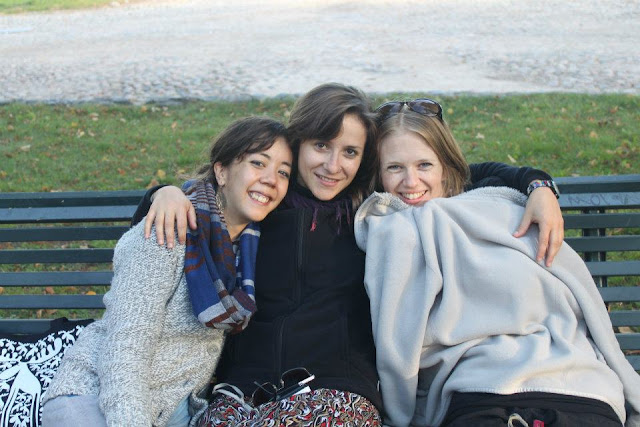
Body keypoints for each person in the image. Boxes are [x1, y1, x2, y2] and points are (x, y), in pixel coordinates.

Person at [131, 83, 565, 426]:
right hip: (241, 392)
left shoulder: (369, 211)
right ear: (297, 143)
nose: (333, 165)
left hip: (338, 393)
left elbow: (469, 172)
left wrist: (539, 185)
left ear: (365, 161)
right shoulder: (262, 205)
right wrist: (163, 193)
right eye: (321, 145)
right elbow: (202, 204)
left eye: (351, 152)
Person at [353, 100, 640, 426]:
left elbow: (501, 174)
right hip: (481, 390)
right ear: (378, 174)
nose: (411, 181)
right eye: (395, 168)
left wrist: (540, 187)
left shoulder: (492, 203)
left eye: (424, 165)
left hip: (573, 381)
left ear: (444, 165)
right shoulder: (387, 229)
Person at [41, 116, 293, 427]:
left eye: (283, 172)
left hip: (173, 406)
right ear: (222, 171)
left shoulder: (249, 251)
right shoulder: (167, 231)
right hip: (98, 394)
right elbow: (126, 348)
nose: (271, 179)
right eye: (258, 163)